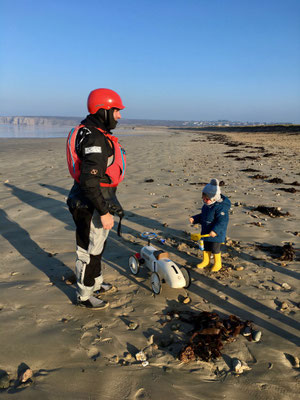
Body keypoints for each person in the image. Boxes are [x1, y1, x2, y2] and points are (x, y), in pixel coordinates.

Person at [66, 88, 126, 309]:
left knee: (98, 246)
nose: (119, 115)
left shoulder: (90, 131)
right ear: (104, 110)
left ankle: (96, 283)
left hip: (93, 199)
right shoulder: (95, 138)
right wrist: (104, 211)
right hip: (89, 204)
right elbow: (89, 182)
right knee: (88, 250)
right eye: (116, 110)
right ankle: (84, 295)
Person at [189, 179, 231, 272]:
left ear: (214, 198)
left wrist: (215, 231)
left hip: (216, 233)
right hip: (206, 231)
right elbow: (203, 216)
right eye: (203, 198)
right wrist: (195, 219)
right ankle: (206, 261)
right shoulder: (206, 205)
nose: (204, 200)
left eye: (207, 199)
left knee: (215, 248)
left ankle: (217, 263)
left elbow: (222, 221)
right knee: (206, 247)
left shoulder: (221, 207)